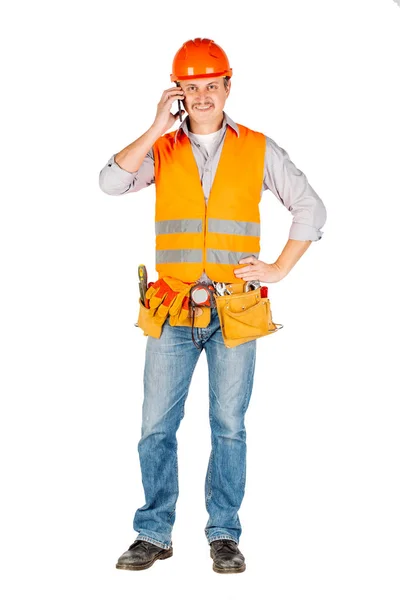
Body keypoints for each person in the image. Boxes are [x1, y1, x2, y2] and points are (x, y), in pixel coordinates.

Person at [99, 37, 327, 574]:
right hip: (173, 309)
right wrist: (156, 126)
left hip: (236, 310)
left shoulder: (258, 148)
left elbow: (310, 209)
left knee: (228, 424)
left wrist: (278, 268)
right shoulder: (162, 148)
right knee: (156, 424)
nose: (202, 96)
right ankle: (153, 532)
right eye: (191, 87)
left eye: (211, 85)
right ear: (179, 91)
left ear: (228, 85)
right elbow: (110, 181)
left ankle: (224, 533)